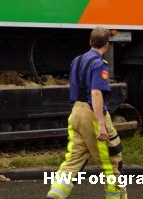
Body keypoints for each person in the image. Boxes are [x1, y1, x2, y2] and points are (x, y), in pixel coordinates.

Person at [47, 27, 126, 199]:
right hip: (92, 114)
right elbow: (96, 93)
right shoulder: (99, 64)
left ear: (90, 42)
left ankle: (55, 194)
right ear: (106, 45)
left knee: (75, 159)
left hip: (76, 112)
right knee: (111, 160)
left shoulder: (77, 60)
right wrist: (102, 125)